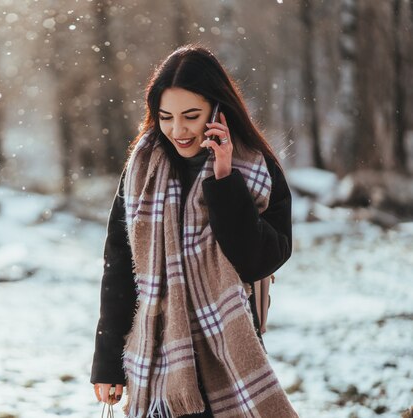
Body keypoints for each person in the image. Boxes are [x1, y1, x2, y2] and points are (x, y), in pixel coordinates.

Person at [90, 44, 299, 418]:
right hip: (158, 359)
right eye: (165, 116)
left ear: (218, 111)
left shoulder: (255, 168)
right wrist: (107, 363)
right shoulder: (141, 170)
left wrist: (224, 179)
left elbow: (259, 261)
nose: (178, 130)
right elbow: (120, 266)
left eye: (191, 115)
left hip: (228, 352)